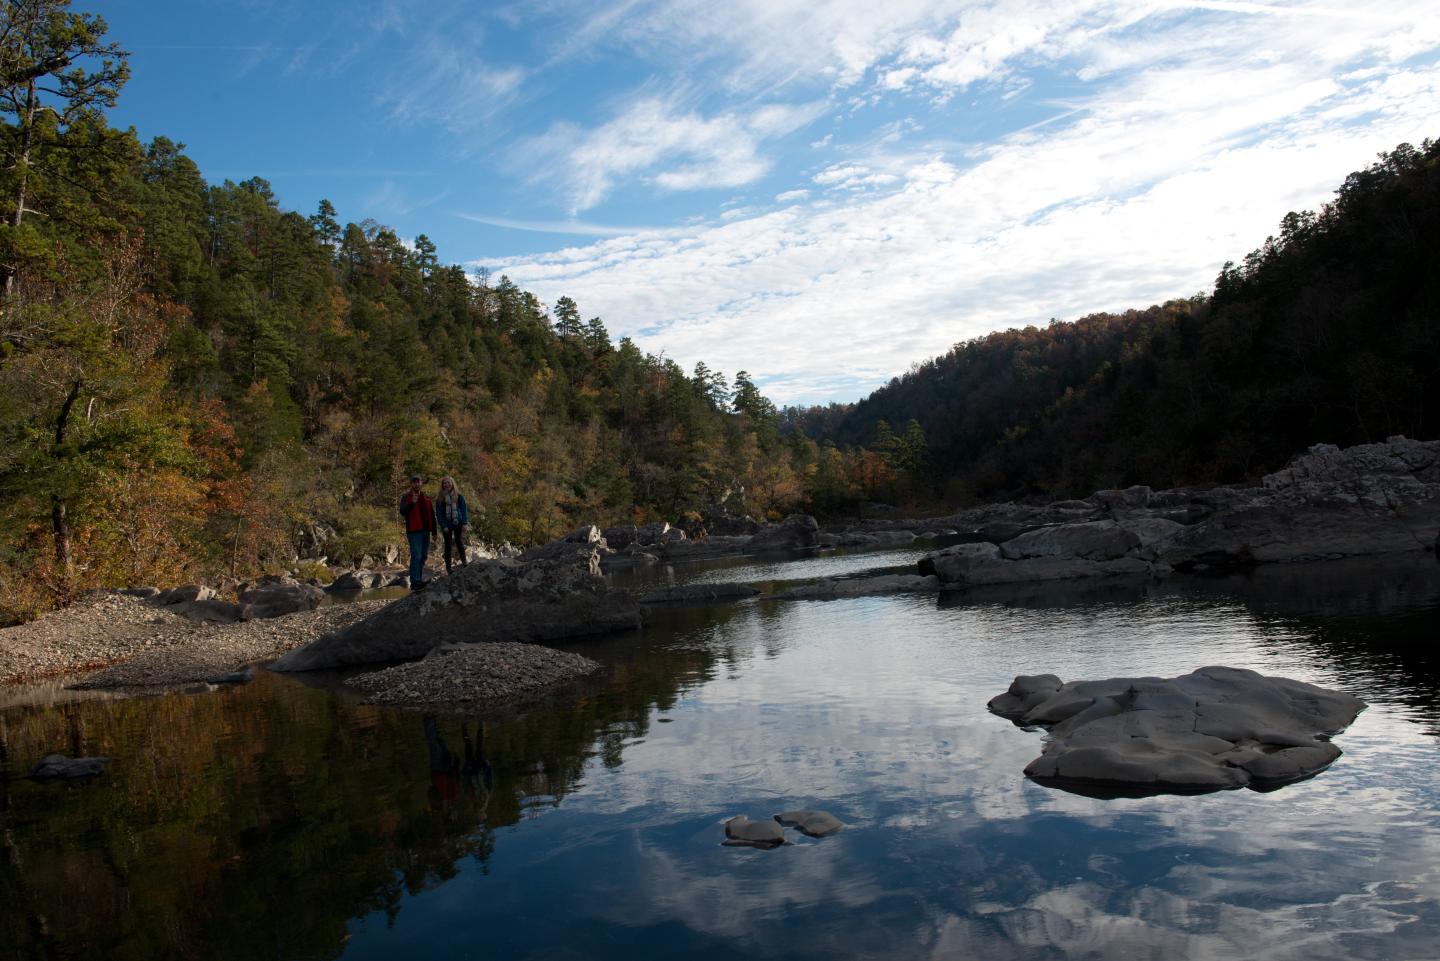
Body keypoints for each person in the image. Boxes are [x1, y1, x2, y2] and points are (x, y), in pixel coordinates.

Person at [399, 473, 437, 590]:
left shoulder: (426, 497)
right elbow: (403, 511)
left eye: (418, 481)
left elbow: (432, 514)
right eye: (414, 482)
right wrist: (412, 503)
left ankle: (418, 579)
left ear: (421, 483)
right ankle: (415, 581)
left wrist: (435, 532)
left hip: (426, 531)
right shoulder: (406, 497)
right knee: (416, 556)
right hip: (414, 531)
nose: (416, 483)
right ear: (411, 484)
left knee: (423, 556)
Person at [434, 475, 470, 575]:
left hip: (457, 522)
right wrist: (443, 525)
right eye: (445, 483)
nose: (447, 484)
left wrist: (465, 523)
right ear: (442, 485)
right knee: (448, 545)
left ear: (452, 483)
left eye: (448, 482)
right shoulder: (440, 498)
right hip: (446, 524)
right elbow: (439, 513)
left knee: (459, 541)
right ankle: (448, 567)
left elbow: (463, 509)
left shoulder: (459, 496)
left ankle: (464, 561)